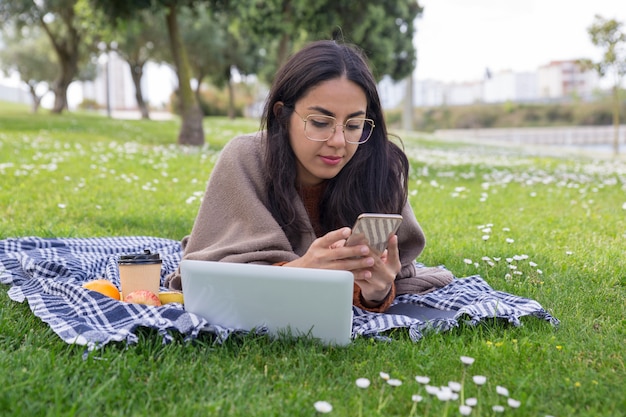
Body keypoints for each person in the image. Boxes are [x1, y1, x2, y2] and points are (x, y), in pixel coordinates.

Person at [165, 40, 453, 312]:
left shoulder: (380, 168)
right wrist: (301, 271)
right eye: (320, 122)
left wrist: (376, 292)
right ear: (282, 115)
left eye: (354, 125)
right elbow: (210, 276)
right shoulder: (246, 158)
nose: (339, 141)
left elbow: (389, 274)